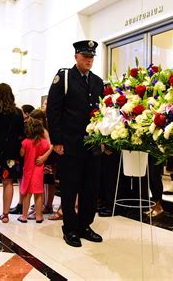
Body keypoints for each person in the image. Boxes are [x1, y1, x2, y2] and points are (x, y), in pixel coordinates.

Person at [46, 40, 104, 247]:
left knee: (91, 189)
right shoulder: (64, 77)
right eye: (85, 56)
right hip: (70, 144)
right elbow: (53, 111)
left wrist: (103, 140)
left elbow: (102, 113)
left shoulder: (98, 82)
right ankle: (70, 228)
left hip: (92, 145)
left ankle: (85, 225)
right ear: (76, 56)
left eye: (91, 56)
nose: (89, 59)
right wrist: (57, 141)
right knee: (70, 189)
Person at [0, 83, 24, 223]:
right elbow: (22, 134)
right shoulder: (18, 112)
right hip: (11, 153)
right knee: (8, 182)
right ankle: (6, 214)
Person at [18, 117, 51, 223]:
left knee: (27, 194)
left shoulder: (25, 142)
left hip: (28, 171)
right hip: (39, 172)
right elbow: (50, 147)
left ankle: (23, 216)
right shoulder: (44, 142)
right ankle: (39, 216)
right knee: (38, 194)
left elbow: (22, 154)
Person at [9, 103, 35, 215]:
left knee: (22, 181)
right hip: (26, 154)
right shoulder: (29, 125)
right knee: (21, 181)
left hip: (24, 154)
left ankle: (21, 204)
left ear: (27, 114)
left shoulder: (27, 125)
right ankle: (21, 204)